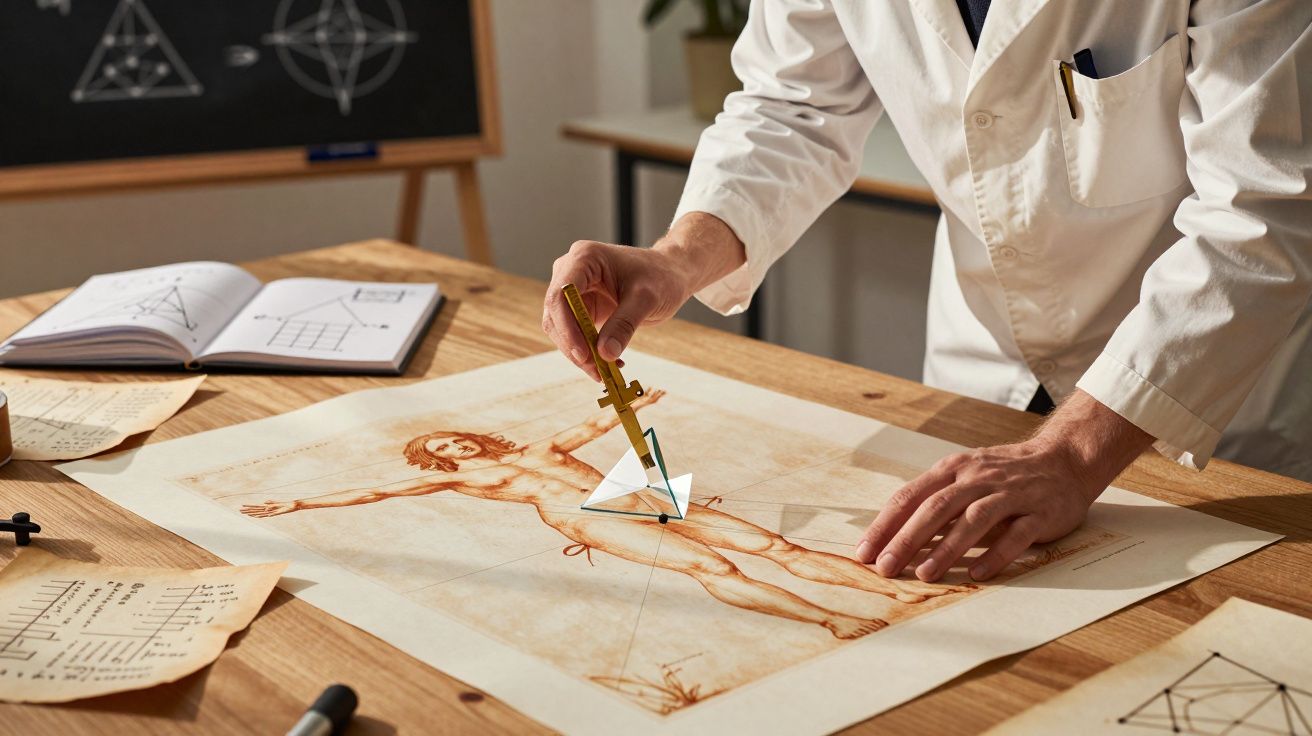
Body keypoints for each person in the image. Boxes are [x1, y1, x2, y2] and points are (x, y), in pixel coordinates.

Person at [542, 1, 1312, 585]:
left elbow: (1265, 206)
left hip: (1207, 391)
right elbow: (793, 109)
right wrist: (680, 255)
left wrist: (1074, 452)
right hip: (985, 367)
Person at [240, 389, 974, 639]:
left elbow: (587, 429)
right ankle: (831, 620)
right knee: (712, 568)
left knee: (774, 546)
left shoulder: (530, 444)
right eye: (441, 444)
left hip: (638, 493)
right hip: (591, 520)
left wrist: (640, 404)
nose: (455, 440)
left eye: (456, 433)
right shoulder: (467, 483)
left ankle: (895, 590)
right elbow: (372, 493)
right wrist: (298, 500)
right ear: (437, 459)